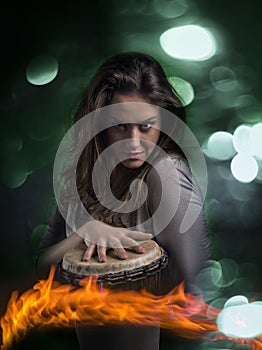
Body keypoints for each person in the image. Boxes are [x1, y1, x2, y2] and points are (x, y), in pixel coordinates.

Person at [35, 51, 211, 350]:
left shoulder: (165, 174)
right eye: (120, 126)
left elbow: (193, 287)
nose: (134, 143)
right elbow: (41, 269)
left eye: (146, 127)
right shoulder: (84, 178)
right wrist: (84, 232)